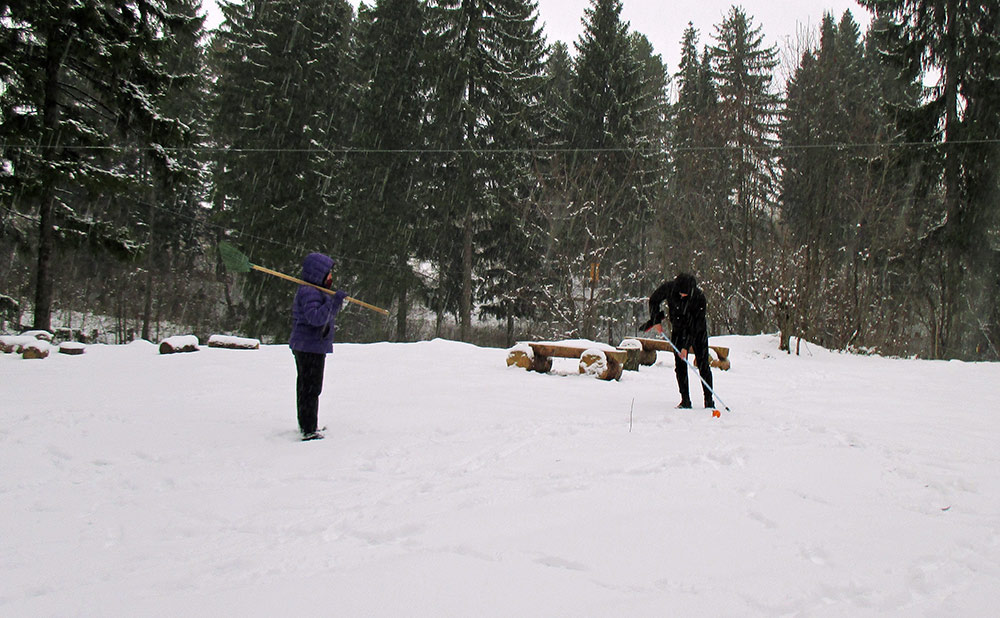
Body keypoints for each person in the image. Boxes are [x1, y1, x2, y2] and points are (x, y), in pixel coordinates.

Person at [289, 252, 348, 441]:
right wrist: (334, 303)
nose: (331, 277)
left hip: (312, 346)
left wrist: (332, 301)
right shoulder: (309, 292)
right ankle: (308, 429)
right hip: (308, 347)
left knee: (310, 387)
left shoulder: (316, 291)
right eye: (328, 273)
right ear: (318, 273)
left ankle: (309, 424)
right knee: (310, 388)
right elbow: (316, 318)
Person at [641, 272, 715, 409]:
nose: (682, 296)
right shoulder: (670, 288)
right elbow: (654, 300)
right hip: (678, 329)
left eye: (684, 295)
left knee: (703, 364)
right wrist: (656, 320)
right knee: (680, 366)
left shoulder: (698, 297)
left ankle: (709, 400)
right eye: (680, 294)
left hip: (697, 332)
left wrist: (686, 347)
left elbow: (695, 325)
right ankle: (685, 400)